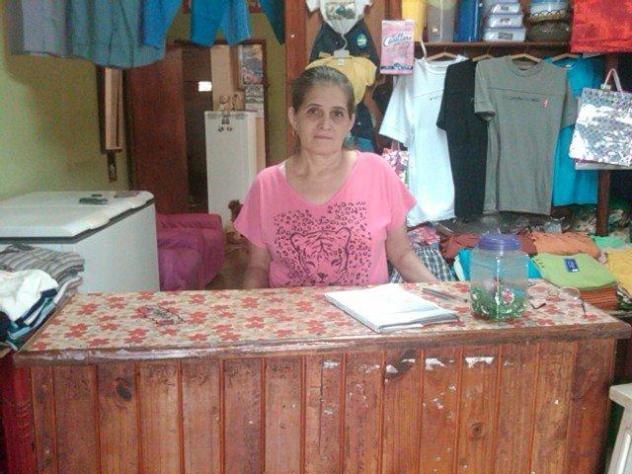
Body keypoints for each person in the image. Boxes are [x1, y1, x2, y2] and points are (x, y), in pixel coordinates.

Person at [234, 66, 438, 288]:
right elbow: (258, 267)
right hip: (293, 311)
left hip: (366, 310)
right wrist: (247, 309)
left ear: (350, 122)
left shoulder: (378, 172)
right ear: (294, 118)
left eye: (337, 114)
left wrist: (445, 296)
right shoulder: (266, 185)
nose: (325, 124)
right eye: (314, 111)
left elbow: (401, 254)